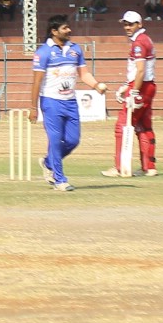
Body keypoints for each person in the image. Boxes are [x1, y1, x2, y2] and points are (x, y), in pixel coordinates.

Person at [29, 14, 111, 192]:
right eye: (65, 28)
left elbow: (84, 74)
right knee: (55, 141)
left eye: (68, 27)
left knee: (73, 140)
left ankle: (48, 162)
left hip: (70, 101)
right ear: (54, 31)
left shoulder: (75, 49)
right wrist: (33, 108)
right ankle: (60, 179)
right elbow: (36, 82)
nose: (69, 30)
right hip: (51, 102)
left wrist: (96, 85)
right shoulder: (43, 52)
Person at [103, 10, 159, 179]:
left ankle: (120, 167)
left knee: (122, 125)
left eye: (131, 24)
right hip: (147, 86)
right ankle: (149, 167)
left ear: (139, 24)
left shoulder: (139, 43)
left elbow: (140, 70)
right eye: (125, 24)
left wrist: (133, 90)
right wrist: (126, 86)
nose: (127, 27)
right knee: (143, 126)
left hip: (141, 86)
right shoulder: (144, 39)